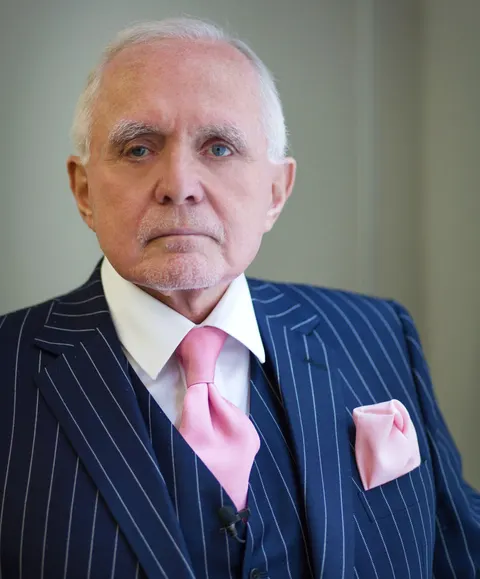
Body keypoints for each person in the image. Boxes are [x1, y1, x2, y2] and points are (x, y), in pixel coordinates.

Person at [0, 17, 478, 579]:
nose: (179, 185)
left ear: (276, 191)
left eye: (220, 147)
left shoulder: (379, 335)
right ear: (84, 190)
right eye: (138, 148)